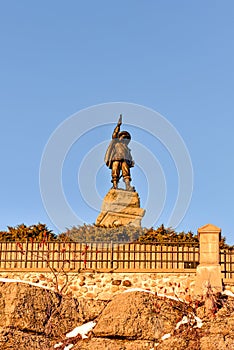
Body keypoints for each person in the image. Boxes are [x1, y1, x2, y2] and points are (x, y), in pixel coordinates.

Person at [104, 115, 135, 191]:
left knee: (126, 173)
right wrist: (118, 125)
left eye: (125, 138)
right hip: (116, 158)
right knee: (115, 172)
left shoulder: (126, 147)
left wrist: (131, 161)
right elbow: (114, 135)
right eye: (122, 137)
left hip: (125, 160)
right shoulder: (116, 142)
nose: (123, 138)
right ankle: (115, 186)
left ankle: (128, 186)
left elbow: (129, 156)